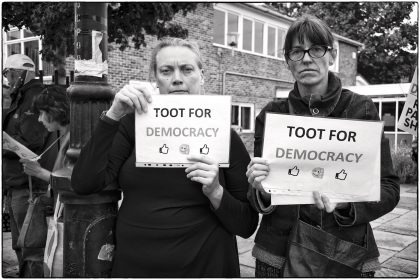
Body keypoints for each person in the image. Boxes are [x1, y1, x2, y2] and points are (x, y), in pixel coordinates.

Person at [71, 38, 259, 277]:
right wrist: (114, 113)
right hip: (137, 266)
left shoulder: (223, 134)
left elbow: (246, 225)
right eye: (166, 71)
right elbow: (84, 183)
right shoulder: (131, 125)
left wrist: (216, 192)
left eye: (187, 69)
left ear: (202, 76)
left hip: (207, 265)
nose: (177, 78)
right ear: (155, 79)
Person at [246, 15, 400, 277]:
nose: (306, 58)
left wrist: (346, 205)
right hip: (278, 253)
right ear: (287, 61)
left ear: (332, 55)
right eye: (296, 51)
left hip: (346, 252)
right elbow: (257, 194)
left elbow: (389, 188)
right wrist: (260, 189)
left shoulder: (361, 109)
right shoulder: (272, 114)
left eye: (316, 49)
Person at [2, 54, 58, 277]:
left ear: (21, 73)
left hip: (30, 185)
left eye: (9, 74)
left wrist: (5, 143)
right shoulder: (20, 97)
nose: (7, 79)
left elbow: (31, 142)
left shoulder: (34, 98)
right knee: (20, 243)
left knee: (31, 246)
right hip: (18, 183)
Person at [20, 85, 71, 199]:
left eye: (42, 113)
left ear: (55, 111)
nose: (39, 119)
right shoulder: (65, 134)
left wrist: (39, 172)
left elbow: (74, 183)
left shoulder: (74, 137)